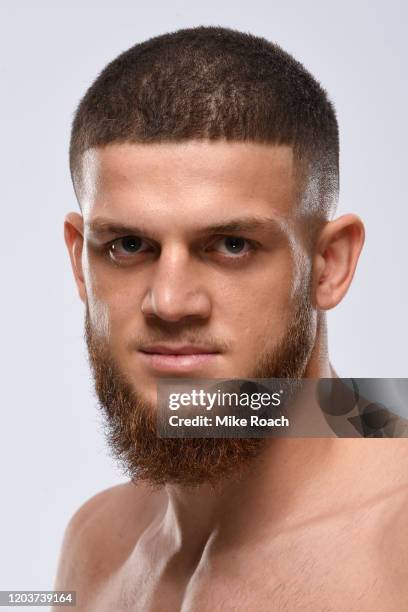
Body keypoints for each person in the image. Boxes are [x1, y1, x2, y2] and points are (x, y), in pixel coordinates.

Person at [54, 26, 408, 611]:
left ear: (330, 264)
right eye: (128, 245)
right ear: (79, 259)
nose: (169, 303)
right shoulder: (95, 543)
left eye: (232, 245)